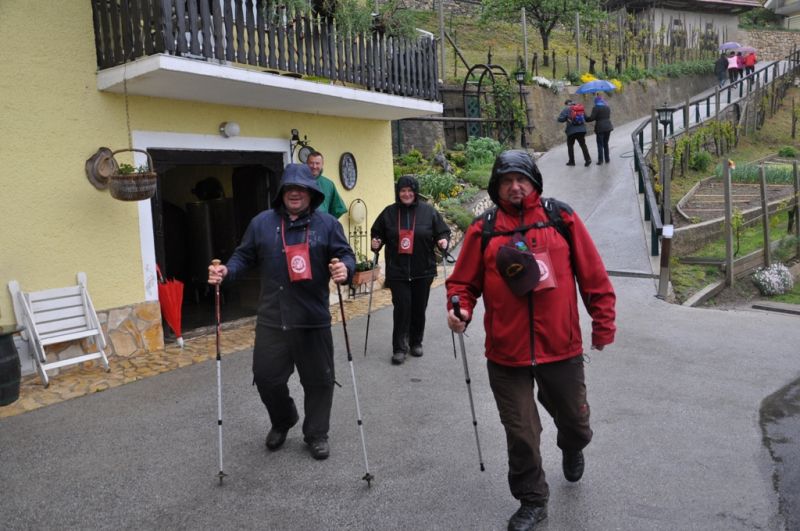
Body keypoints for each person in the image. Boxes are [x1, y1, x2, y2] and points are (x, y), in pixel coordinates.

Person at [445, 150, 616, 531]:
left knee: (575, 421)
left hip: (561, 348)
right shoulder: (482, 230)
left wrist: (602, 322)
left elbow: (593, 274)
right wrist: (460, 308)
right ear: (496, 187)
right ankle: (532, 500)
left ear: (534, 182)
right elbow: (462, 283)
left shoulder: (561, 218)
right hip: (507, 354)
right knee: (521, 433)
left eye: (522, 179)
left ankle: (572, 445)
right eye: (507, 181)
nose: (515, 186)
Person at [207, 163, 355, 461]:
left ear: (311, 193)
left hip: (312, 320)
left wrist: (344, 269)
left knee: (319, 381)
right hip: (273, 320)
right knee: (266, 378)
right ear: (281, 193)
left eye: (301, 188)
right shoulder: (262, 223)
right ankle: (284, 418)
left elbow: (346, 256)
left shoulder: (327, 225)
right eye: (289, 188)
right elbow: (243, 256)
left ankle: (316, 433)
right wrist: (226, 271)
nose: (295, 193)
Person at [370, 175, 450, 365]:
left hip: (423, 269)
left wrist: (443, 241)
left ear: (415, 192)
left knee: (418, 308)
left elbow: (442, 231)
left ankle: (416, 341)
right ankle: (399, 347)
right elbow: (377, 233)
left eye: (410, 190)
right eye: (403, 191)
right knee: (402, 308)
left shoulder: (428, 211)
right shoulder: (389, 213)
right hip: (397, 271)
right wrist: (376, 243)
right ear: (398, 193)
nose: (406, 194)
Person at [306, 151, 348, 218]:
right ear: (306, 164)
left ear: (322, 164)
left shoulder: (328, 184)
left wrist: (329, 222)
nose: (314, 166)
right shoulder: (299, 182)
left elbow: (338, 208)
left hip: (322, 225)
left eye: (317, 163)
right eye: (311, 163)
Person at [557, 99, 592, 167]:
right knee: (583, 145)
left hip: (571, 131)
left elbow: (560, 119)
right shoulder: (579, 108)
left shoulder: (566, 109)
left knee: (570, 146)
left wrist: (566, 118)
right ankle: (588, 159)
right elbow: (586, 118)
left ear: (567, 104)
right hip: (581, 130)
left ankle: (572, 161)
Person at [585, 95, 613, 166]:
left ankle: (600, 160)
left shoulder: (596, 108)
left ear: (596, 101)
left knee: (600, 144)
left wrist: (585, 116)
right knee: (606, 143)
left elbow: (591, 118)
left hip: (600, 128)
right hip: (608, 127)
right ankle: (607, 159)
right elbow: (607, 116)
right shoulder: (607, 107)